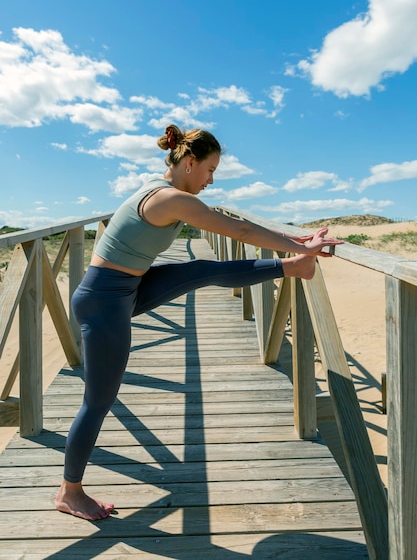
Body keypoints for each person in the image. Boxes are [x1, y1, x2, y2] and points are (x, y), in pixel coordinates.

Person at [55, 124, 343, 521]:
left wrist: (297, 240)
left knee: (203, 269)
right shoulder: (169, 198)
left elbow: (241, 227)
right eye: (209, 170)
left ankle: (293, 266)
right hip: (104, 302)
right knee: (98, 401)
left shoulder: (162, 190)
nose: (211, 180)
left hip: (129, 287)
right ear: (190, 162)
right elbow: (238, 229)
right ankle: (69, 492)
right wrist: (302, 243)